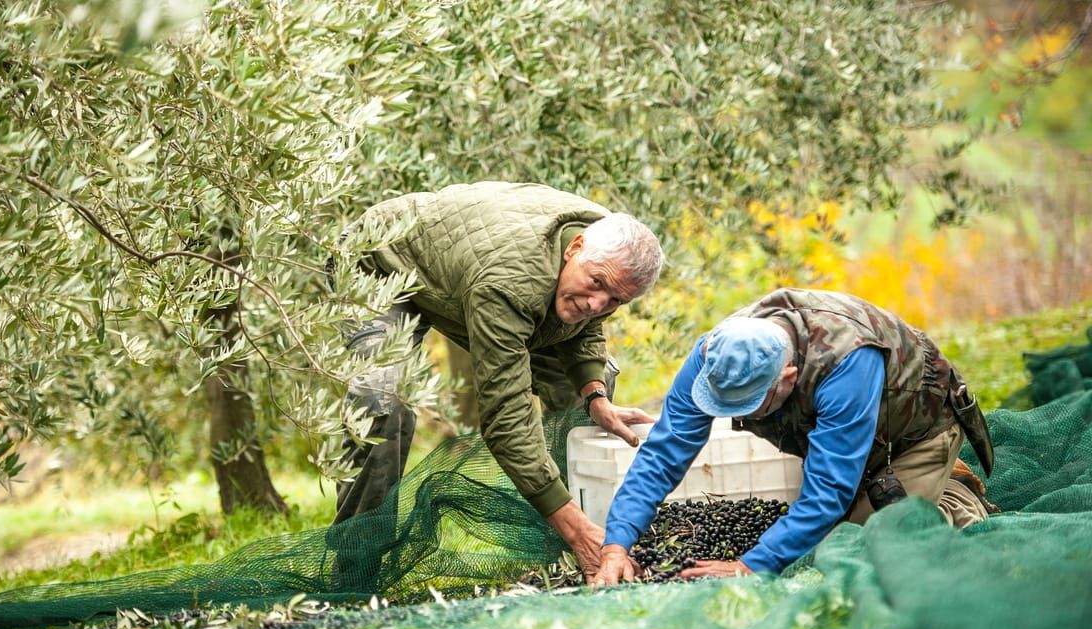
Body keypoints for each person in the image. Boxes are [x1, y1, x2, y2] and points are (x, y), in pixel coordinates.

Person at [333, 182, 664, 583]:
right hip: (379, 260)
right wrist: (572, 525)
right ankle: (356, 566)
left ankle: (566, 548)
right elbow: (506, 418)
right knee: (382, 397)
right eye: (596, 284)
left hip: (466, 267)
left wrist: (593, 393)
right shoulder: (510, 283)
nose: (599, 305)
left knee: (593, 381)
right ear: (574, 249)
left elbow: (584, 328)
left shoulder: (607, 250)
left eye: (615, 300)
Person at [594, 288, 997, 585]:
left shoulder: (846, 363)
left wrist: (751, 565)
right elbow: (663, 454)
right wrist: (617, 543)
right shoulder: (717, 357)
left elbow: (827, 493)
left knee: (868, 542)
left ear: (788, 376)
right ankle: (898, 483)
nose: (736, 416)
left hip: (913, 429)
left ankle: (954, 493)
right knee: (821, 529)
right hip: (833, 432)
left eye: (750, 405)